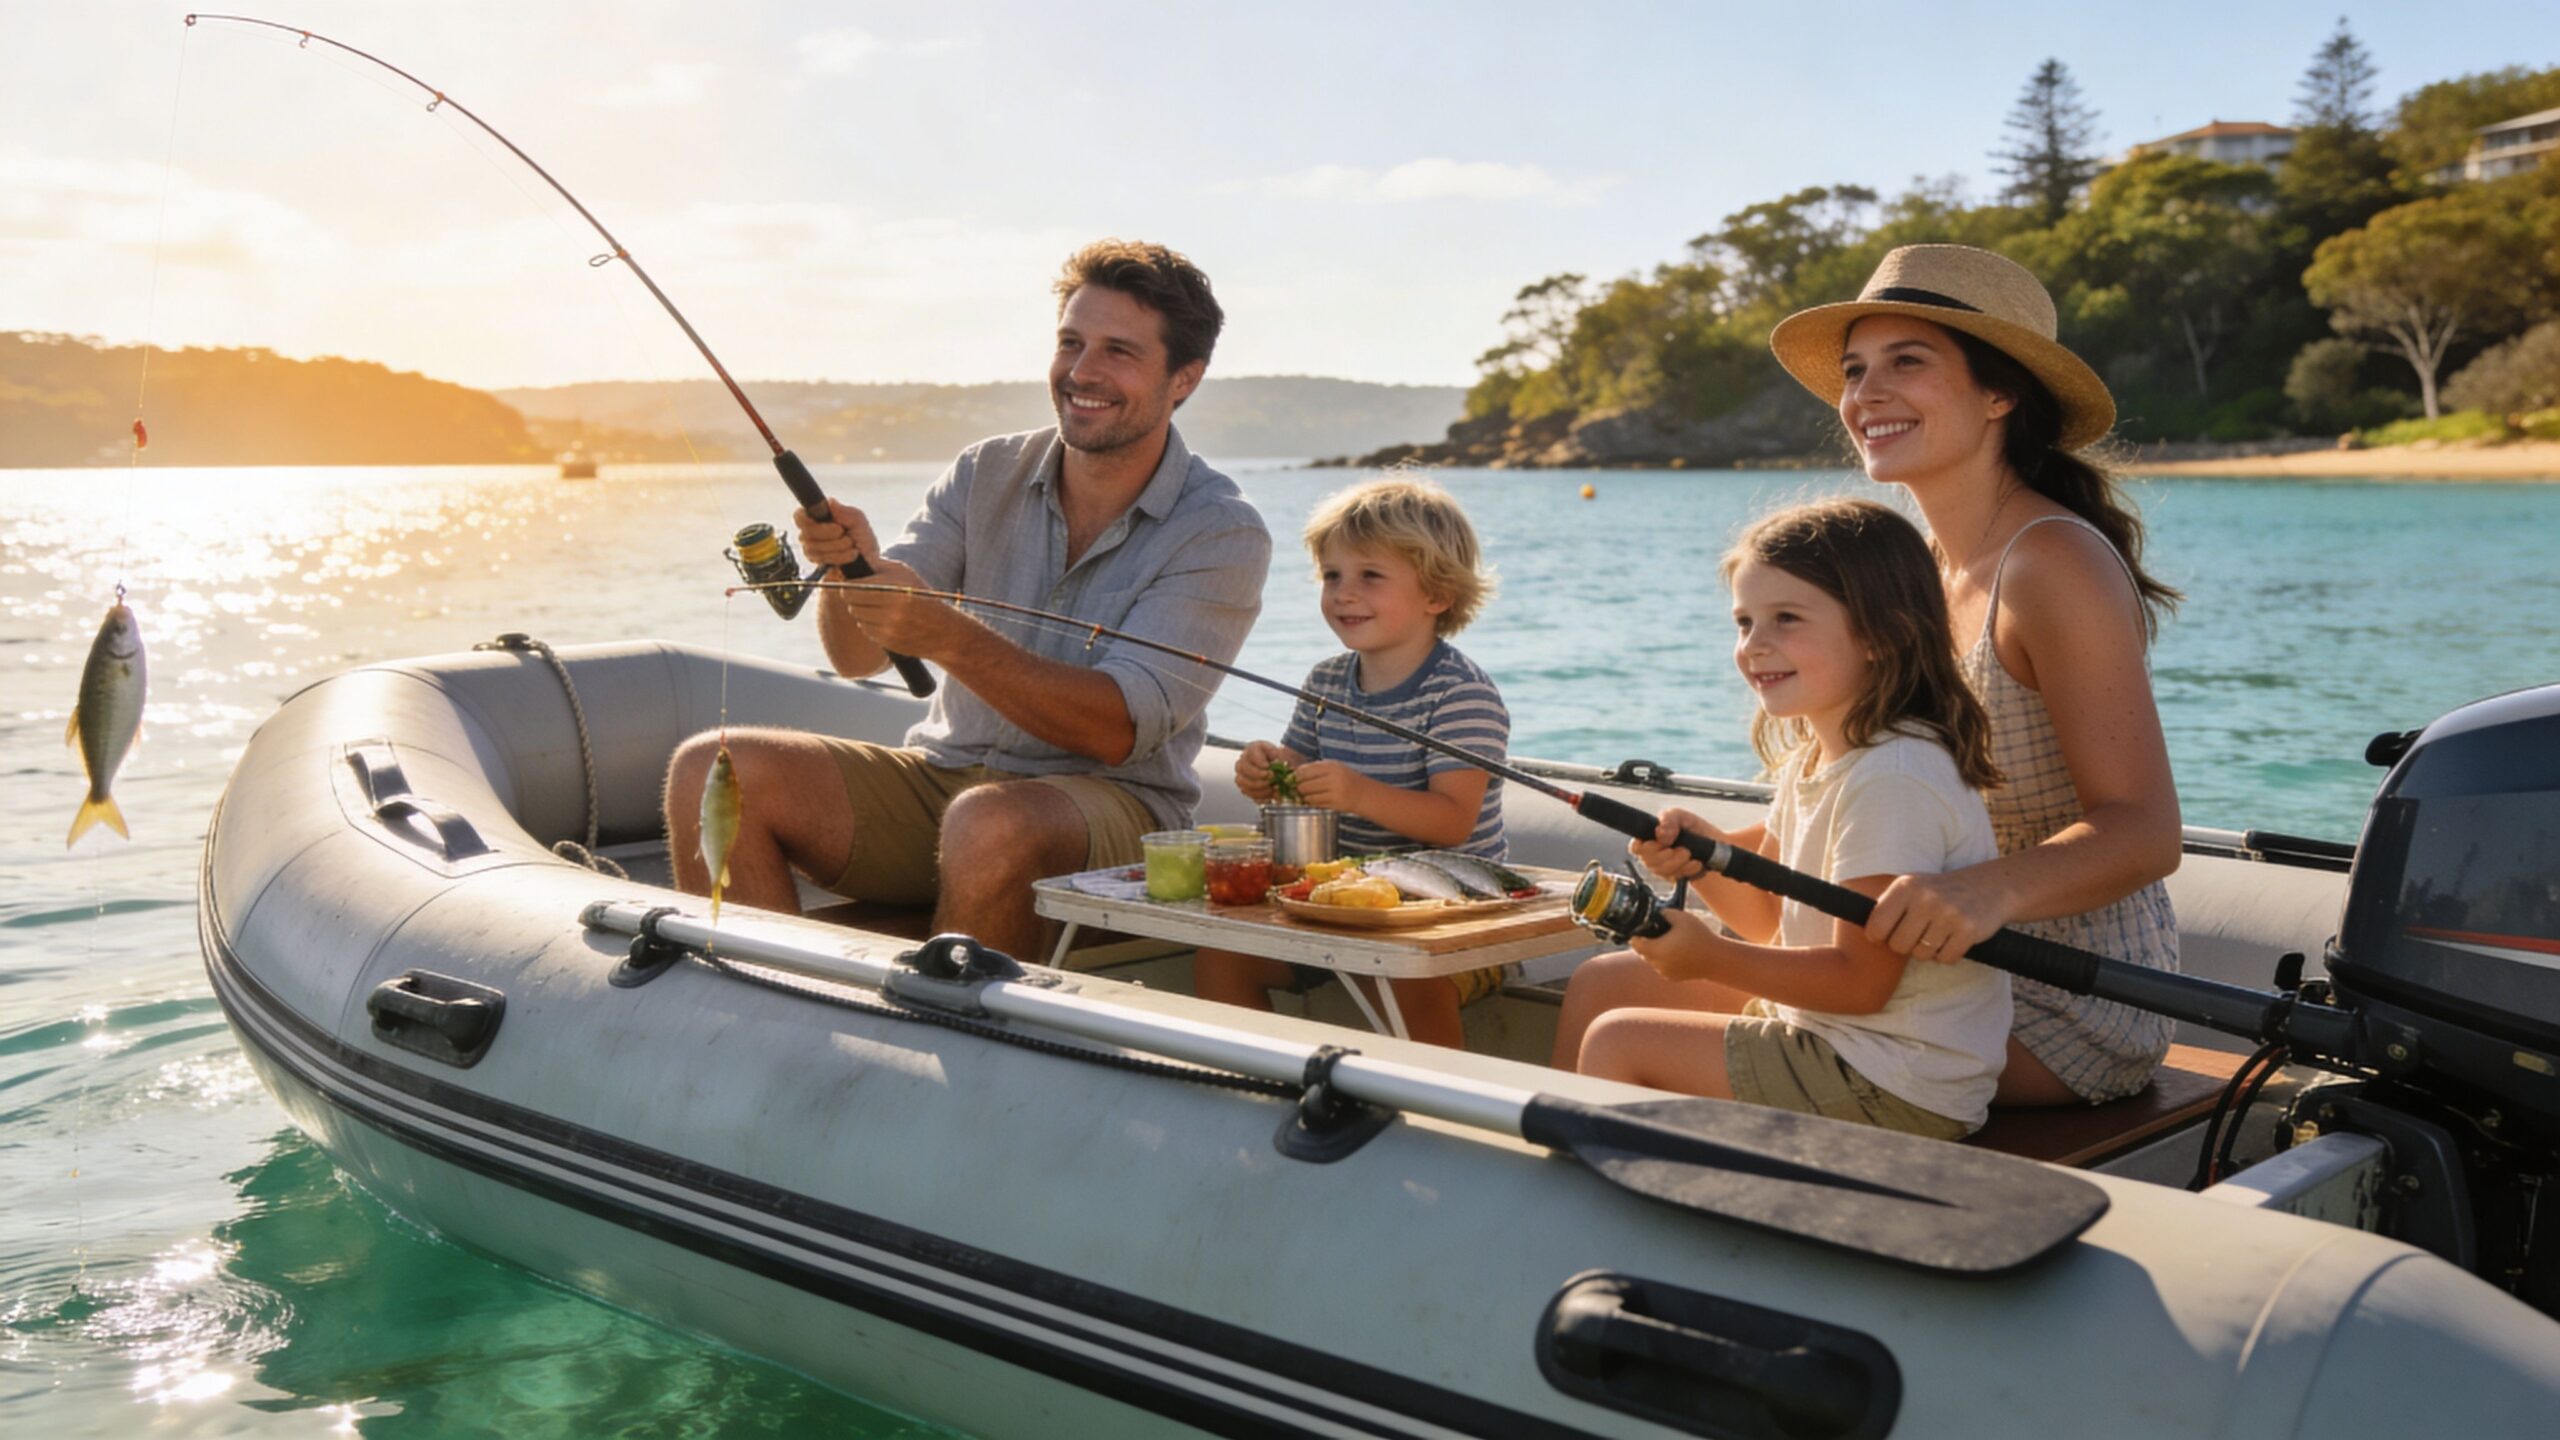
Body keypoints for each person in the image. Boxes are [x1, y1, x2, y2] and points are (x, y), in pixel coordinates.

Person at [663, 240, 1272, 961]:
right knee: (712, 767)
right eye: (1071, 342)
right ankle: (771, 1020)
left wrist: (949, 637)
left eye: (1119, 352)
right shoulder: (984, 469)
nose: (1082, 372)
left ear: (1185, 380)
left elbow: (1115, 731)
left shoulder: (1222, 532)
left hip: (1115, 808)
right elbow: (856, 656)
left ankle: (946, 1039)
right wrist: (850, 569)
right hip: (945, 781)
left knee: (989, 824)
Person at [1769, 243, 2184, 1105]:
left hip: (2066, 999)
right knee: (1638, 981)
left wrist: (1981, 891)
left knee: (1640, 1011)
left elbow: (2146, 832)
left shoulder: (2052, 564)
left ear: (2000, 394)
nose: (1865, 396)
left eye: (1907, 363)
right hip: (1919, 974)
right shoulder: (1914, 567)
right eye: (1854, 371)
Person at [1556, 499, 2010, 1139]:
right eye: (1744, 622)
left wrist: (1709, 957)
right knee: (1603, 985)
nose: (1754, 647)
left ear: (1884, 634)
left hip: (1894, 1080)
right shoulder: (1819, 756)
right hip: (1834, 1035)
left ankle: (1608, 1218)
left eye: (1786, 619)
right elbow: (1771, 923)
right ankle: (1552, 1169)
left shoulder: (1894, 780)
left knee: (1619, 1043)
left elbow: (1860, 986)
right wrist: (1705, 856)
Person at [1198, 475, 1508, 1047]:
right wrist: (1266, 772)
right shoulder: (1325, 682)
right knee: (1225, 956)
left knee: (1401, 971)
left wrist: (1359, 794)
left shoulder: (1460, 694)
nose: (1343, 593)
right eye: (1332, 575)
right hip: (1346, 902)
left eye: (1371, 576)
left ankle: (1438, 1107)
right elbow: (1297, 776)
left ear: (1437, 596)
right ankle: (1270, 1090)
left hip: (1458, 917)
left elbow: (1453, 820)